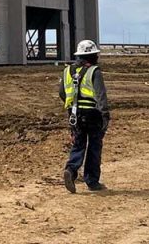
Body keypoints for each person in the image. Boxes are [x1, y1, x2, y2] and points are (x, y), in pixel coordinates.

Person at [59, 39, 110, 193]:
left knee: (78, 144)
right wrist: (105, 114)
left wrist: (73, 107)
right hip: (93, 114)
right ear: (93, 55)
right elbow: (101, 95)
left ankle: (71, 170)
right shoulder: (94, 71)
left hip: (74, 114)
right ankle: (92, 181)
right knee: (94, 147)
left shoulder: (67, 71)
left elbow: (62, 93)